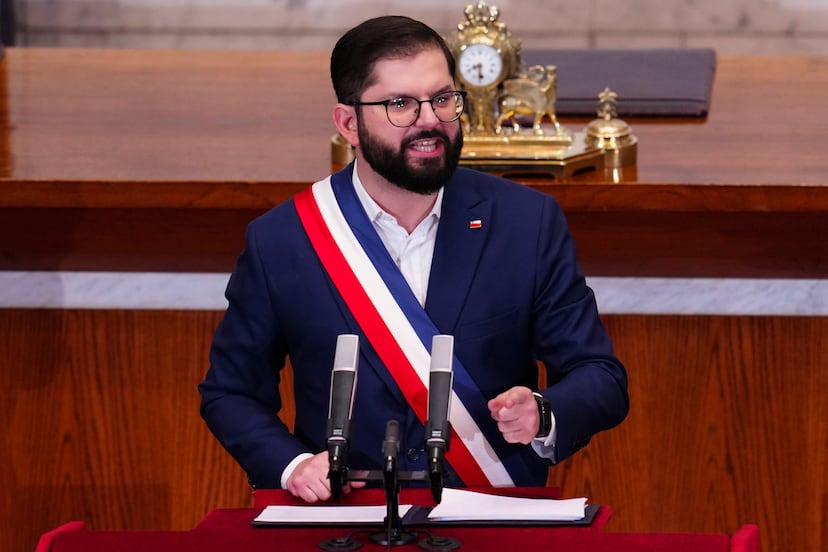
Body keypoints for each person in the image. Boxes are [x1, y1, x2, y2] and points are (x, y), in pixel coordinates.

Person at [198, 15, 628, 503]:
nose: (430, 120)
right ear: (348, 123)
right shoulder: (284, 239)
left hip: (490, 513)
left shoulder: (525, 222)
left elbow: (600, 375)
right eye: (400, 103)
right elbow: (230, 392)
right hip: (344, 515)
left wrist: (543, 413)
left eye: (442, 98)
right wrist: (293, 465)